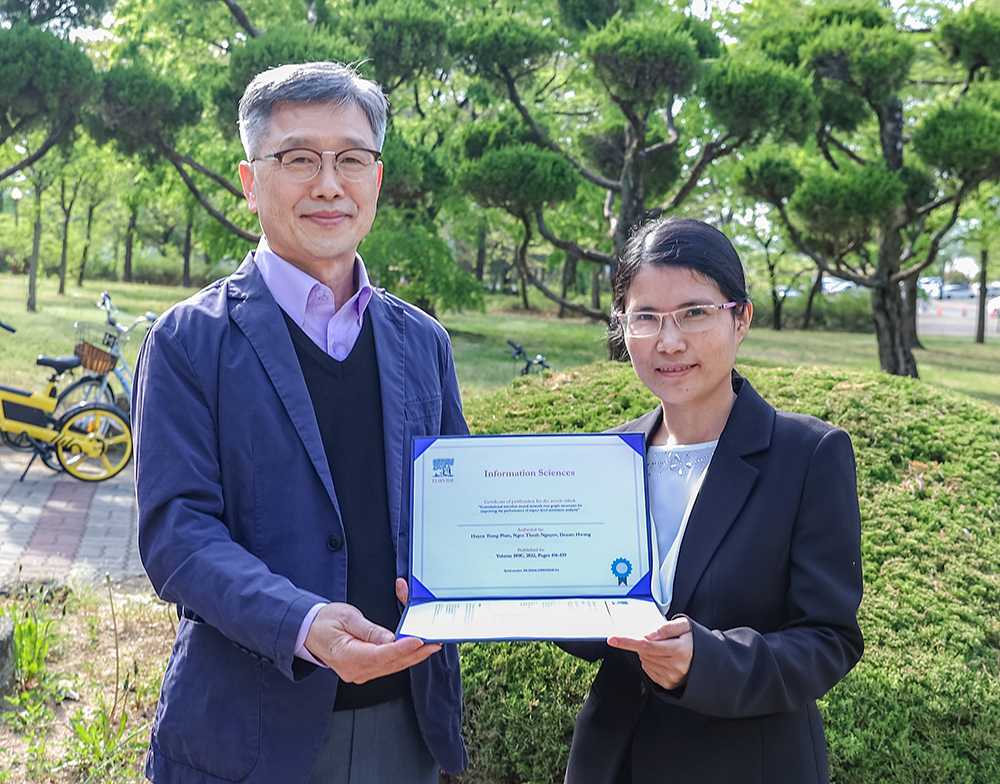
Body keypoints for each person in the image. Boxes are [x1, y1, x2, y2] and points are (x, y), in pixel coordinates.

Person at [133, 62, 468, 784]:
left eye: (352, 158)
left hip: (404, 729)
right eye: (298, 159)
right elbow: (178, 539)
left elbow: (458, 514)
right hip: (246, 735)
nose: (328, 183)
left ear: (376, 179)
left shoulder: (422, 343)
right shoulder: (189, 342)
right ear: (252, 182)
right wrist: (304, 624)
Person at [561, 218, 864, 784]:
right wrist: (512, 587)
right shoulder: (605, 456)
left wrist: (706, 662)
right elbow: (589, 626)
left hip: (749, 763)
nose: (668, 340)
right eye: (645, 317)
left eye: (695, 313)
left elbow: (829, 639)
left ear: (741, 318)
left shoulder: (808, 456)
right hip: (614, 762)